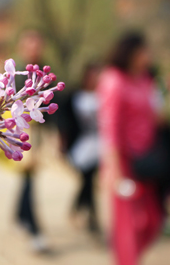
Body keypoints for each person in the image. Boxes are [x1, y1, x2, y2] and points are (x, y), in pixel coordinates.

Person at [98, 32, 163, 265]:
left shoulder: (145, 79)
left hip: (146, 160)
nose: (148, 56)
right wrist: (114, 170)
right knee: (127, 228)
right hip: (123, 162)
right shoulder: (114, 80)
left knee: (152, 220)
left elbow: (154, 113)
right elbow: (110, 126)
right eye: (144, 52)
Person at [14, 29, 47, 252]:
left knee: (28, 179)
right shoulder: (16, 74)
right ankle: (32, 226)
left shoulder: (47, 73)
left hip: (38, 135)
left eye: (37, 44)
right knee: (27, 179)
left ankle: (22, 216)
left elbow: (55, 104)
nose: (33, 49)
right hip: (16, 134)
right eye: (29, 44)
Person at [58, 63, 101, 233]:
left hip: (99, 145)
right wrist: (62, 142)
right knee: (87, 180)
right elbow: (64, 121)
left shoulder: (103, 96)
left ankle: (88, 215)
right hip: (80, 146)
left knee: (89, 180)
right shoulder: (74, 96)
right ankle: (86, 214)